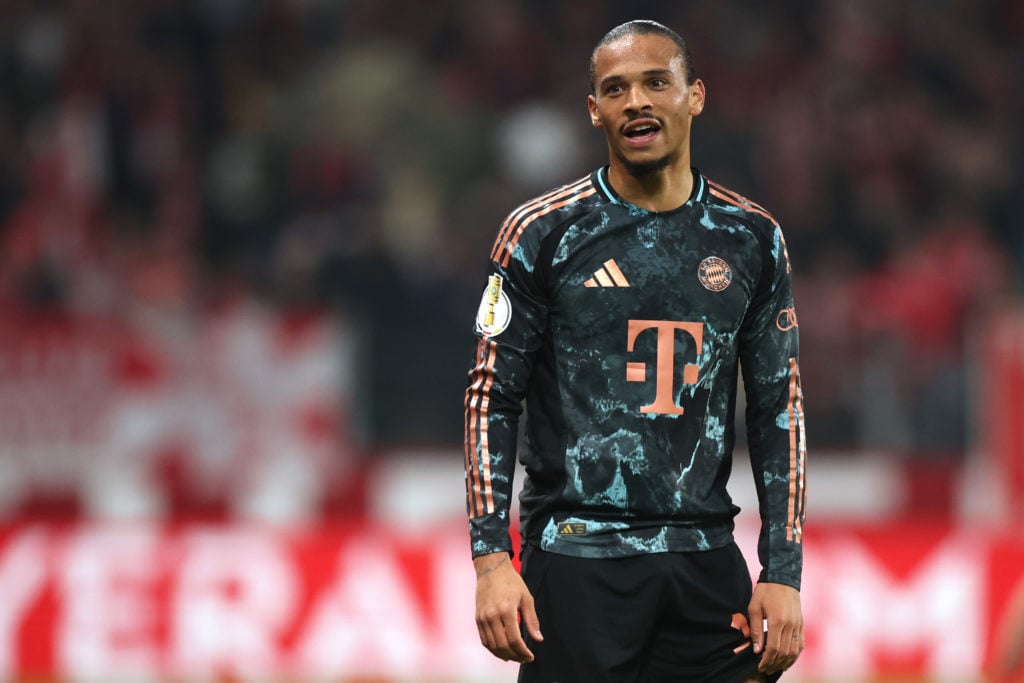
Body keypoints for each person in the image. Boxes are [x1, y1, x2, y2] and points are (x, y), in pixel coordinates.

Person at [464, 19, 806, 682]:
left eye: (656, 82)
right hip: (577, 560)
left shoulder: (752, 238)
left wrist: (783, 570)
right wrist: (490, 561)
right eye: (615, 89)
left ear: (695, 95)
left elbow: (777, 408)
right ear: (595, 110)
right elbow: (490, 396)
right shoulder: (541, 234)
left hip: (706, 560)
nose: (637, 102)